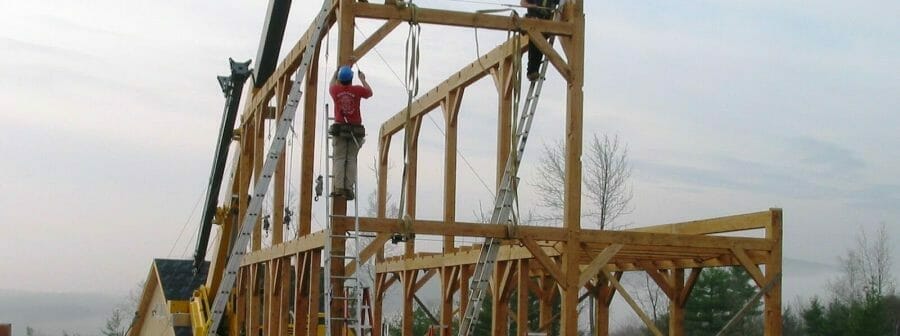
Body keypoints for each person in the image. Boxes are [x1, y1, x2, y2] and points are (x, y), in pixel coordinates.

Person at [329, 64, 372, 200]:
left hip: (340, 129)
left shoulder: (335, 90)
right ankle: (348, 188)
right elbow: (369, 92)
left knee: (340, 159)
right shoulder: (357, 90)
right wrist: (363, 79)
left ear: (339, 79)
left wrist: (335, 73)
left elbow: (331, 84)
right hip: (355, 130)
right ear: (351, 79)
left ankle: (339, 187)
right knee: (352, 159)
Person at [521, 0, 561, 81]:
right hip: (533, 23)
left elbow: (562, 2)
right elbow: (523, 3)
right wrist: (532, 6)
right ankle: (532, 72)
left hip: (544, 25)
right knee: (534, 46)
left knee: (540, 48)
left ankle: (534, 72)